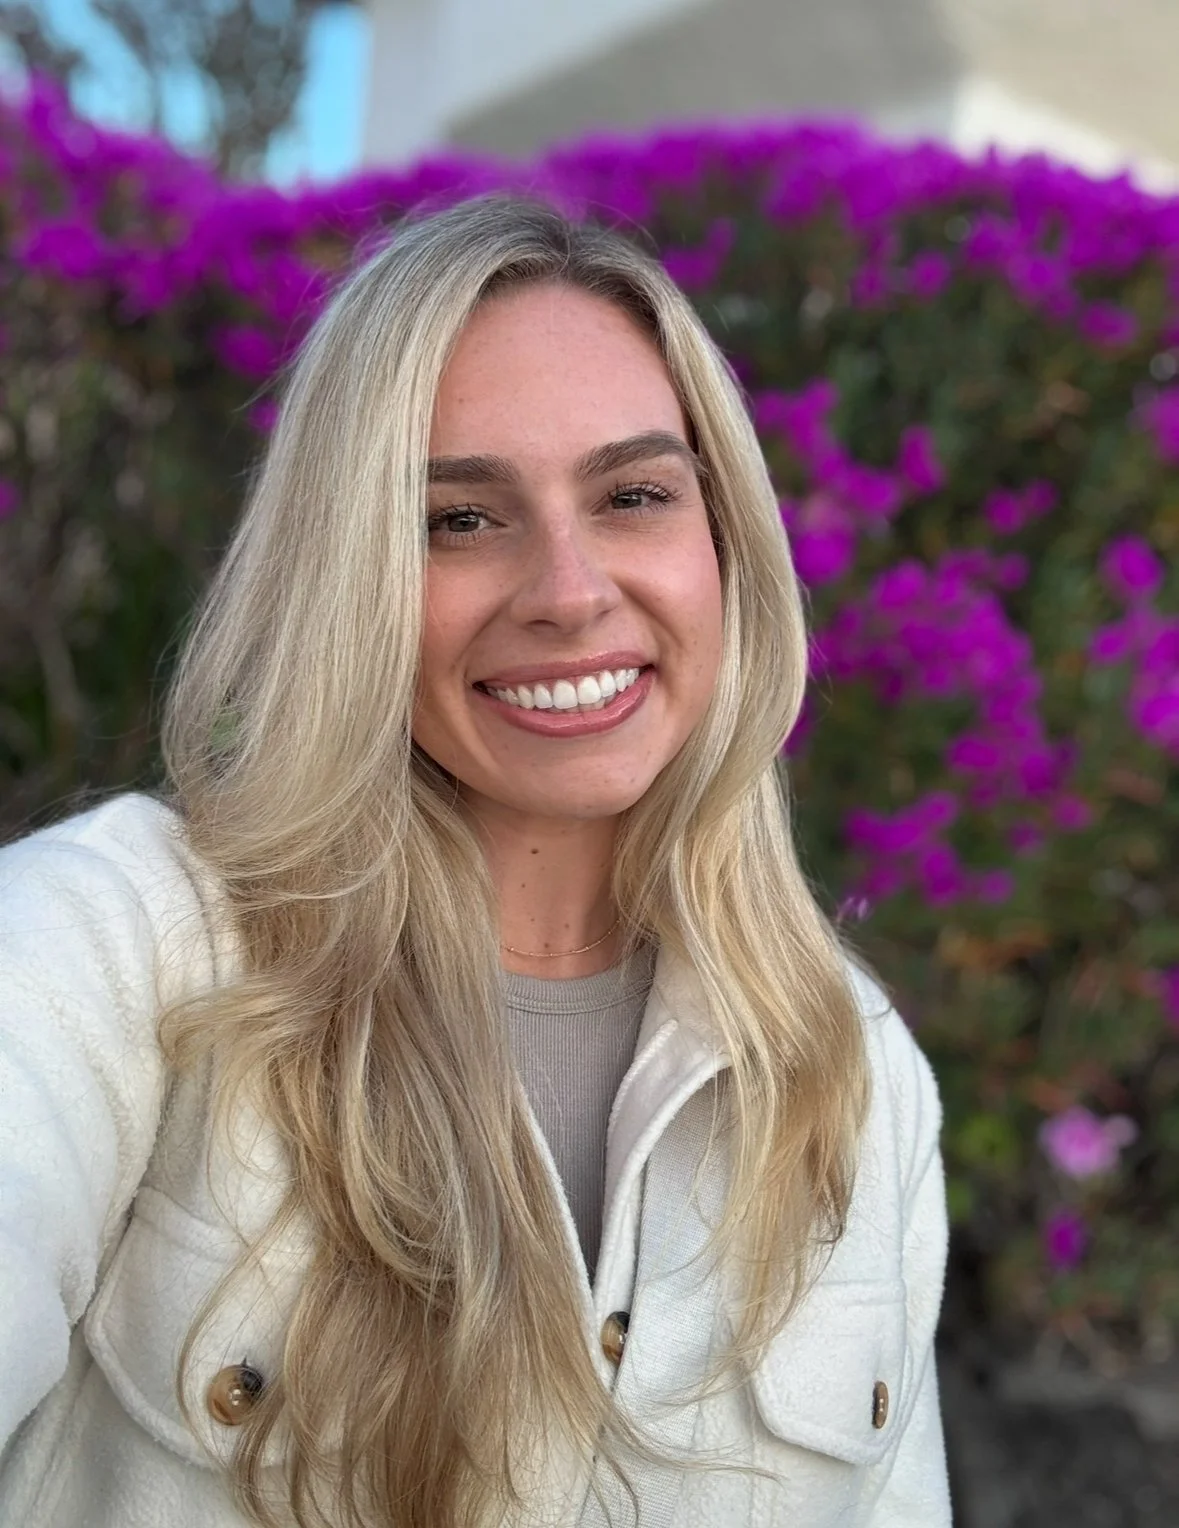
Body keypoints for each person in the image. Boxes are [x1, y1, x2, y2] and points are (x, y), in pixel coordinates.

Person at [0, 195, 950, 1528]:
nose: (567, 590)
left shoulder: (854, 1072)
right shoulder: (102, 950)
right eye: (458, 519)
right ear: (348, 570)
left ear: (722, 544)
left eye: (631, 495)